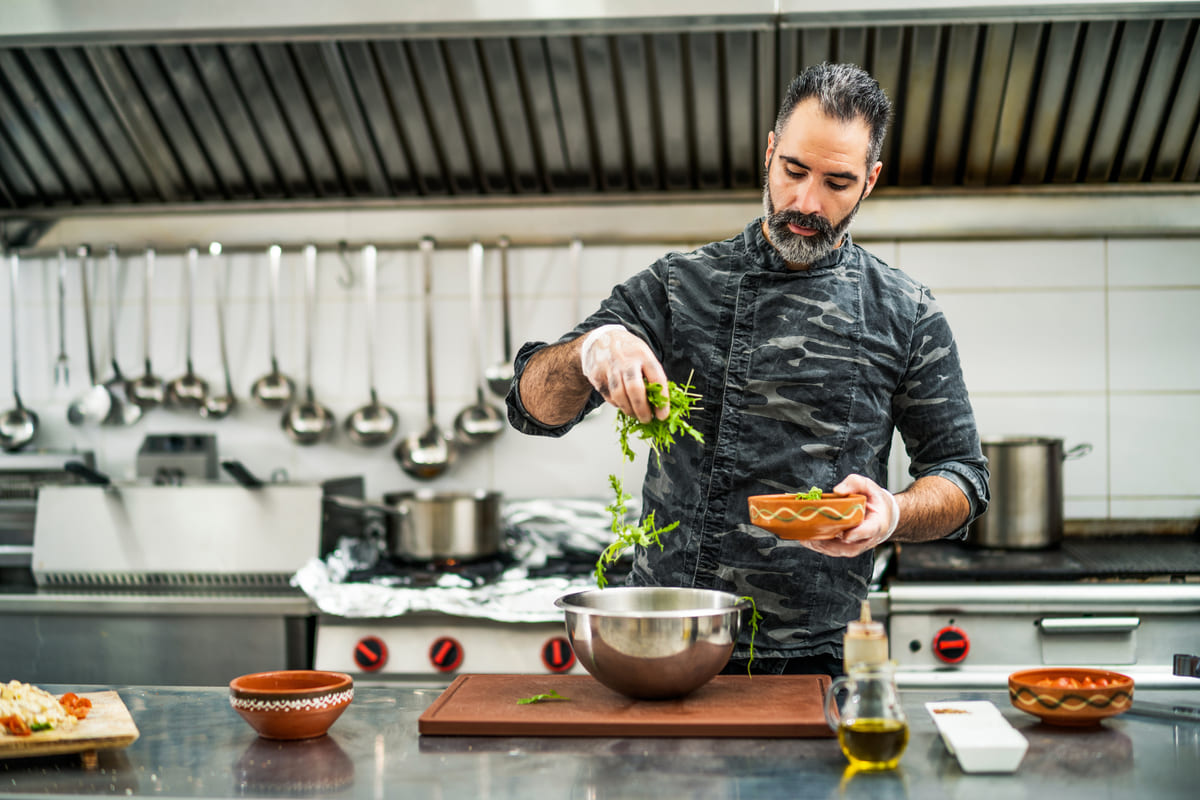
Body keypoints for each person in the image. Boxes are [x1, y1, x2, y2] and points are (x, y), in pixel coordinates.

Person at [506, 62, 989, 677]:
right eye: (793, 171)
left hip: (817, 657)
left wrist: (892, 513)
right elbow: (532, 410)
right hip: (667, 641)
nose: (806, 202)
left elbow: (962, 477)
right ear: (769, 153)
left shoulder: (906, 312)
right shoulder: (680, 287)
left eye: (837, 182)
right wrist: (589, 350)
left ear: (870, 181)